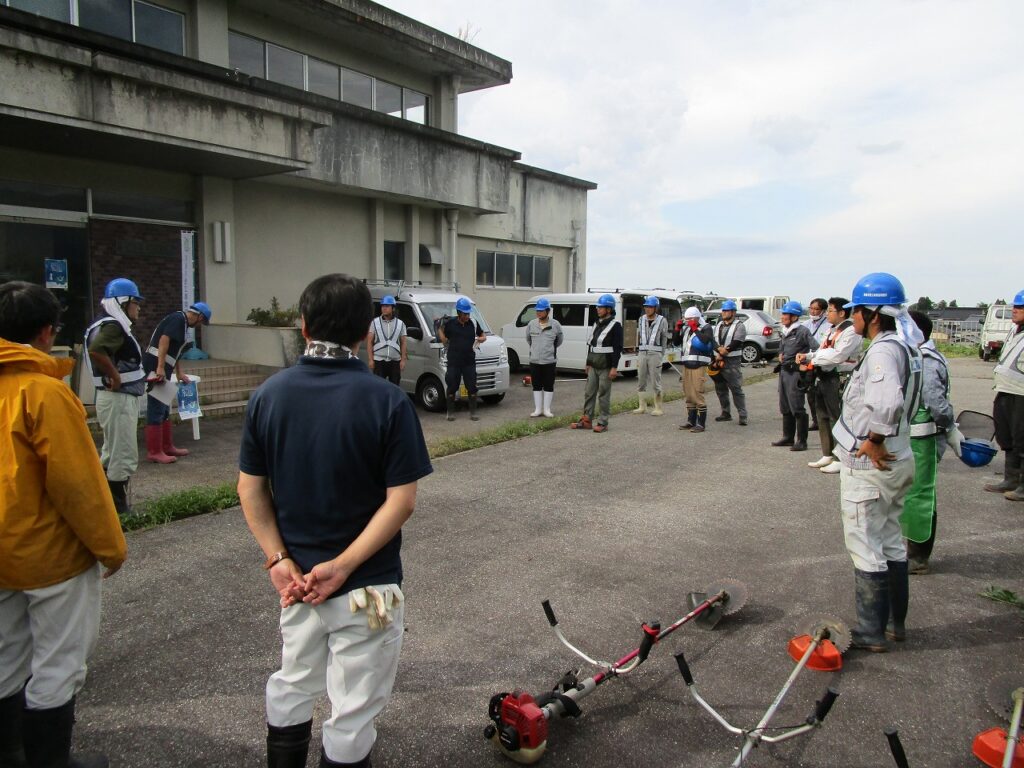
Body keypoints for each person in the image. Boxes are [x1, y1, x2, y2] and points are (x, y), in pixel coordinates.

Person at [239, 274, 433, 768]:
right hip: (368, 587)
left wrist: (278, 558)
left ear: (303, 326)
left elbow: (250, 488)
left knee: (293, 682)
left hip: (298, 582)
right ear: (367, 330)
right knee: (352, 712)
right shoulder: (387, 401)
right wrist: (344, 565)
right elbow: (401, 501)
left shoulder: (269, 395)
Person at [0, 281, 127, 768]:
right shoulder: (45, 394)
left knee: (7, 656)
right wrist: (110, 548)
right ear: (46, 332)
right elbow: (79, 486)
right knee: (57, 666)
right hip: (51, 558)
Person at [832, 272, 923, 652]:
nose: (851, 317)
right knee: (889, 543)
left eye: (856, 311)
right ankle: (893, 625)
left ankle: (871, 632)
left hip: (873, 466)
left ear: (872, 313)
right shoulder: (907, 346)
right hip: (899, 457)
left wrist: (873, 440)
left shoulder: (884, 349)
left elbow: (886, 403)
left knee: (865, 543)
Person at [900, 311, 962, 577]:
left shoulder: (925, 361)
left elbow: (936, 403)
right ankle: (913, 549)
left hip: (923, 439)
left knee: (920, 497)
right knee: (912, 494)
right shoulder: (921, 355)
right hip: (915, 438)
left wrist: (948, 426)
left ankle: (918, 556)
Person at [85, 277, 146, 516]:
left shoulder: (104, 323)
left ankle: (104, 503)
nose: (138, 307)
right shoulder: (113, 325)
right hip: (118, 398)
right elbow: (97, 350)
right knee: (123, 453)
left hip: (115, 399)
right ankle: (118, 509)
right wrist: (115, 375)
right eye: (135, 302)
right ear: (122, 302)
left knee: (112, 452)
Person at [797, 298, 862, 473]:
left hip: (839, 376)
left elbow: (838, 355)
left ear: (842, 313)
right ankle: (828, 453)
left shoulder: (851, 331)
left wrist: (815, 358)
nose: (828, 314)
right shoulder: (832, 329)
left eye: (831, 310)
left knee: (837, 417)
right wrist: (809, 356)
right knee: (822, 415)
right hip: (824, 375)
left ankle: (841, 457)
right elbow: (822, 350)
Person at [142, 302, 212, 464]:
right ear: (200, 316)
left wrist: (178, 372)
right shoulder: (178, 319)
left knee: (163, 407)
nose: (200, 324)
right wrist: (159, 367)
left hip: (164, 366)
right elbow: (164, 340)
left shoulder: (183, 324)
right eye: (202, 321)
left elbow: (176, 351)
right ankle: (155, 451)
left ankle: (166, 446)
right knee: (157, 406)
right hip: (155, 365)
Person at [985, 290, 1024, 501]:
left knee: (1022, 439)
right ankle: (1011, 479)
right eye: (1015, 306)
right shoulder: (1014, 331)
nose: (1014, 310)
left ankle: (1022, 486)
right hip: (1005, 391)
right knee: (1007, 436)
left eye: (1020, 307)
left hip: (1021, 394)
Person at [570, 293, 621, 433]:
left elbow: (617, 349)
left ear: (609, 309)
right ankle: (586, 420)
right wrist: (588, 362)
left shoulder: (616, 326)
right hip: (593, 365)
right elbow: (591, 345)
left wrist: (614, 367)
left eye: (601, 307)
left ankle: (603, 422)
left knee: (603, 394)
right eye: (598, 307)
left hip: (606, 366)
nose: (598, 309)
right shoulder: (596, 324)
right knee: (589, 393)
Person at [772, 301, 815, 451]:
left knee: (797, 407)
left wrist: (806, 359)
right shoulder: (785, 330)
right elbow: (781, 348)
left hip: (795, 373)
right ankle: (788, 437)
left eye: (785, 314)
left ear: (794, 316)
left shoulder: (802, 331)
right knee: (785, 406)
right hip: (784, 372)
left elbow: (816, 349)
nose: (782, 316)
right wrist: (780, 355)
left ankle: (801, 441)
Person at [437, 297, 486, 422]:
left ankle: (473, 412)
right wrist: (440, 332)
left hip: (469, 361)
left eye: (468, 313)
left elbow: (483, 335)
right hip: (454, 361)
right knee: (452, 386)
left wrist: (481, 338)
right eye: (465, 313)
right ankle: (450, 412)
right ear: (459, 313)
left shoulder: (473, 323)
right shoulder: (450, 324)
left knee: (472, 387)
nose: (467, 316)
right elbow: (442, 336)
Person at [676, 306, 715, 433]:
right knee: (688, 393)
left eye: (690, 319)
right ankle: (690, 421)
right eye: (686, 320)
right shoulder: (687, 329)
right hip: (687, 364)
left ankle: (701, 423)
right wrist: (677, 329)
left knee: (697, 393)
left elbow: (705, 341)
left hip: (699, 365)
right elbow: (676, 342)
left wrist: (695, 329)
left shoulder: (706, 327)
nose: (688, 322)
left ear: (697, 318)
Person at [711, 299, 748, 426]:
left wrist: (722, 353)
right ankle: (725, 412)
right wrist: (718, 352)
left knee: (736, 388)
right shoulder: (719, 325)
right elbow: (713, 341)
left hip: (732, 362)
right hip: (718, 361)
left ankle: (743, 415)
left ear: (733, 312)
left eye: (727, 310)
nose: (724, 313)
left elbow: (736, 342)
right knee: (720, 388)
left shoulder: (739, 326)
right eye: (723, 310)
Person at [526, 297, 563, 417]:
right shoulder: (531, 324)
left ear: (548, 311)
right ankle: (537, 409)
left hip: (549, 361)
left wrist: (549, 350)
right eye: (537, 311)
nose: (538, 313)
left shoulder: (555, 325)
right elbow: (528, 339)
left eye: (541, 311)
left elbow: (559, 340)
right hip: (535, 360)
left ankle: (547, 409)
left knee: (548, 385)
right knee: (536, 385)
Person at [632, 295, 668, 416]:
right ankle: (642, 406)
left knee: (655, 381)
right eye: (646, 307)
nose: (647, 309)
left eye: (650, 307)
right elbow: (639, 335)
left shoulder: (662, 320)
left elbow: (664, 338)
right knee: (641, 379)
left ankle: (658, 407)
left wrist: (661, 353)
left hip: (655, 354)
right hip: (642, 352)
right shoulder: (641, 319)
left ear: (655, 308)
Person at [802, 298, 831, 432]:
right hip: (808, 363)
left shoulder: (828, 325)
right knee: (810, 393)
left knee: (824, 393)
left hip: (822, 362)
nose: (813, 311)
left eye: (816, 309)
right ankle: (815, 420)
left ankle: (827, 419)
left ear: (823, 311)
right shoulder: (805, 324)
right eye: (811, 308)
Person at [367, 295, 407, 387]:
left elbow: (404, 342)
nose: (384, 308)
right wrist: (370, 359)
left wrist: (403, 360)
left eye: (387, 306)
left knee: (395, 388)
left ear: (393, 308)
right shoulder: (374, 322)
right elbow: (369, 342)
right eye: (383, 306)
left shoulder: (400, 324)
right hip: (378, 361)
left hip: (395, 361)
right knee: (378, 388)